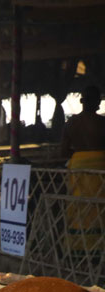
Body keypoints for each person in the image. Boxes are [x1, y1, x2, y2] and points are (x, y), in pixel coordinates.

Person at [61, 85, 105, 255]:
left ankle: (78, 246)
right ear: (96, 102)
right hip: (101, 166)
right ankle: (99, 245)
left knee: (79, 206)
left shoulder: (71, 123)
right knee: (99, 208)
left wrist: (80, 154)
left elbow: (63, 152)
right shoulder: (102, 123)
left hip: (78, 166)